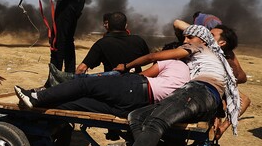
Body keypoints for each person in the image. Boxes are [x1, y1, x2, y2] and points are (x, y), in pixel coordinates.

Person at [83, 25, 240, 146]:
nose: (185, 41)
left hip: (199, 91)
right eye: (184, 38)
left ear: (202, 40)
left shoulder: (200, 47)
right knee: (137, 116)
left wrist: (127, 65)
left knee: (156, 121)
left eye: (189, 37)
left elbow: (153, 56)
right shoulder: (211, 56)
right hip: (201, 96)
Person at [14, 50, 190, 118]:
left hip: (135, 88)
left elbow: (144, 75)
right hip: (136, 107)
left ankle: (37, 97)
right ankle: (44, 102)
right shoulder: (189, 76)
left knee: (86, 85)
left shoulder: (175, 63)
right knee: (78, 104)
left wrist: (126, 69)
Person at [75, 12, 150, 75]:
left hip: (112, 87)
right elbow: (149, 59)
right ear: (126, 25)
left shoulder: (102, 43)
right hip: (137, 86)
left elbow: (81, 69)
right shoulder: (139, 40)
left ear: (108, 25)